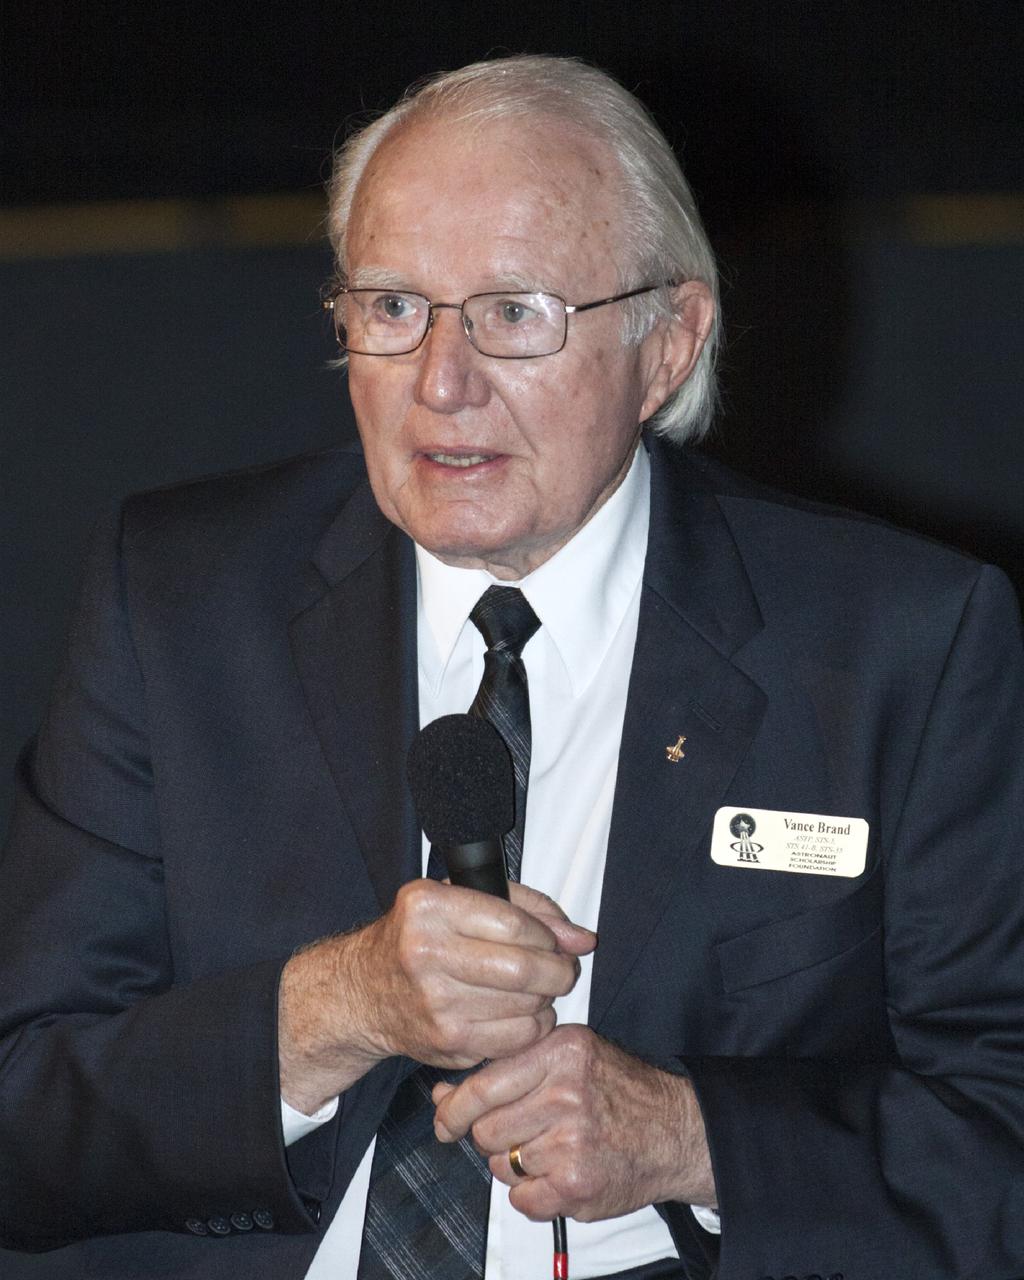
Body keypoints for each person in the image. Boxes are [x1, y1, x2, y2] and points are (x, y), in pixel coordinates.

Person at [1, 54, 1023, 1280]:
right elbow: (23, 1115)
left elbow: (996, 1132)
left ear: (668, 342)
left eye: (514, 312)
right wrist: (340, 1007)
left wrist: (696, 1138)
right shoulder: (178, 596)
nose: (441, 381)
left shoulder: (897, 643)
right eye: (391, 307)